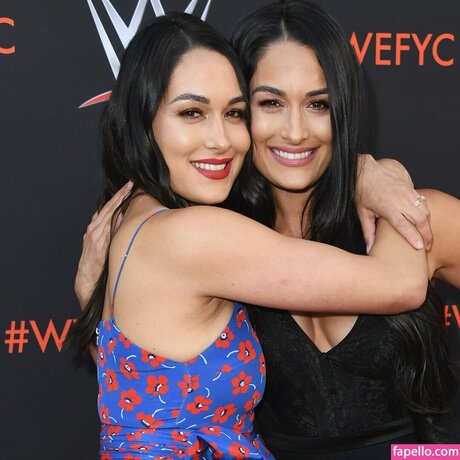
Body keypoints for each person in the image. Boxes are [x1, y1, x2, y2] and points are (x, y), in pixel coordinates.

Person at [69, 9, 432, 460]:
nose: (221, 140)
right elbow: (402, 283)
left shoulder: (138, 219)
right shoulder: (194, 235)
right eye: (191, 113)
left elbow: (144, 390)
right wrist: (381, 171)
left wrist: (90, 300)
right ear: (143, 121)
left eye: (234, 113)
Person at [228, 0, 460, 456]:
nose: (296, 131)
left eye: (318, 104)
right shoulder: (214, 243)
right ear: (236, 110)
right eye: (271, 103)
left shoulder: (412, 219)